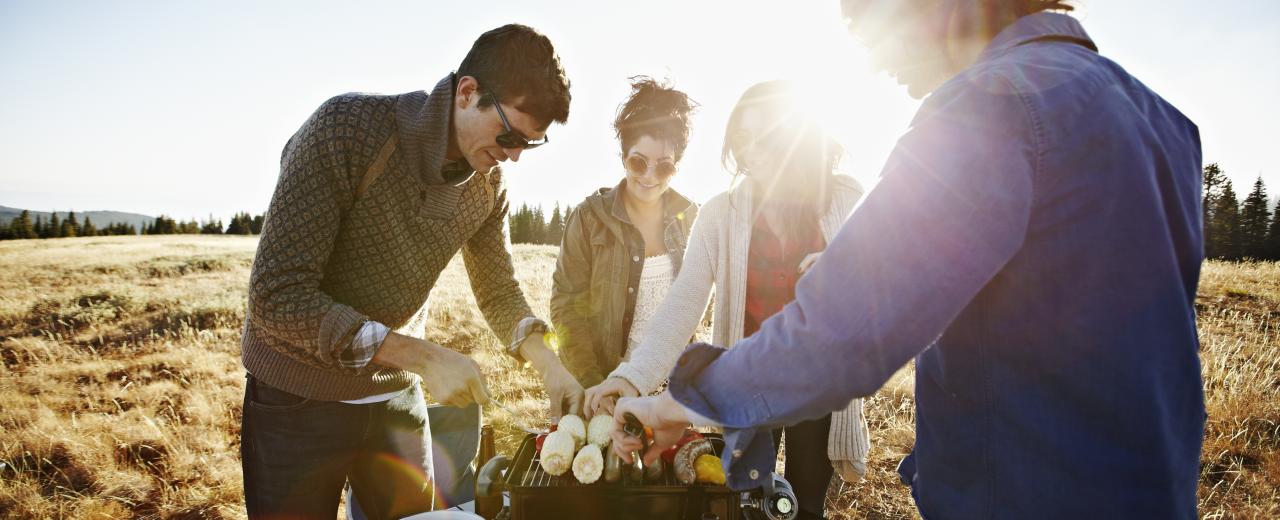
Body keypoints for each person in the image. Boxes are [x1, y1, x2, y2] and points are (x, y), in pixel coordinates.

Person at [614, 1, 1206, 518]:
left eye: (872, 25)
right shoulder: (1165, 122)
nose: (873, 61)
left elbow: (843, 329)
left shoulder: (984, 108)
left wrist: (681, 401)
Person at [239, 24, 584, 519]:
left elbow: (499, 290)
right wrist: (419, 356)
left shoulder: (489, 187)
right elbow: (277, 297)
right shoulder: (346, 129)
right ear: (468, 93)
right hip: (295, 397)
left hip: (394, 397)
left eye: (529, 144)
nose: (512, 156)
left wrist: (552, 369)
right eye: (509, 135)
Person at [590, 80, 870, 520]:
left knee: (806, 502)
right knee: (744, 501)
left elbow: (882, 268)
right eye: (741, 139)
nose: (750, 151)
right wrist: (633, 378)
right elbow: (684, 303)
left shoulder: (844, 199)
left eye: (765, 136)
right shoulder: (721, 214)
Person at [551, 77, 700, 389]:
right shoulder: (589, 218)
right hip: (605, 387)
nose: (649, 176)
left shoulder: (691, 218)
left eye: (664, 168)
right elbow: (567, 307)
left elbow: (695, 307)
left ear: (676, 167)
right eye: (638, 162)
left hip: (671, 393)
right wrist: (592, 385)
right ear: (623, 157)